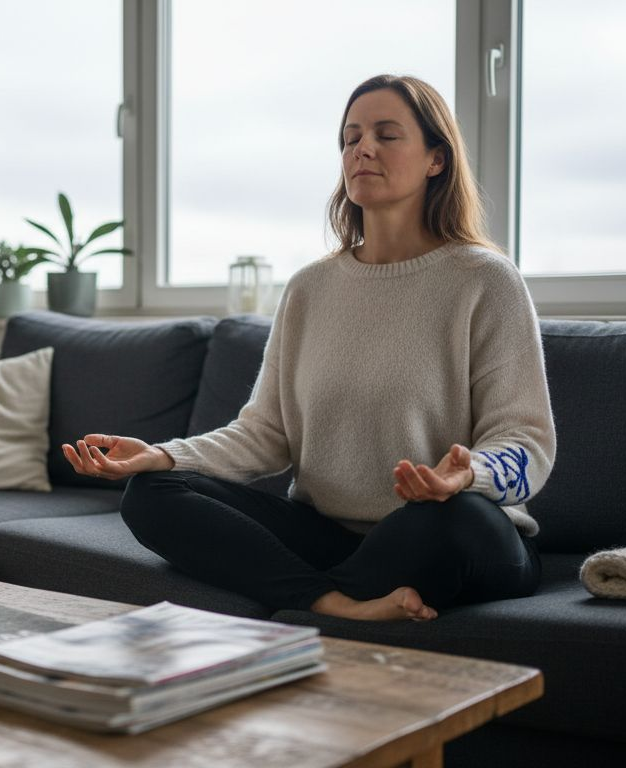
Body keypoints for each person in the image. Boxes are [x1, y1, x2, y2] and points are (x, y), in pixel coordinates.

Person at [61, 74, 556, 622]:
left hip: (450, 530)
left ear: (436, 159)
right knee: (151, 493)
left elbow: (526, 441)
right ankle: (336, 603)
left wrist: (466, 476)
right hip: (328, 537)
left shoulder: (485, 281)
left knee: (454, 521)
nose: (362, 148)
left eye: (386, 135)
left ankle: (302, 594)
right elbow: (264, 435)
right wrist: (163, 455)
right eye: (350, 137)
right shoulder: (309, 289)